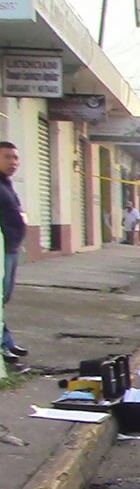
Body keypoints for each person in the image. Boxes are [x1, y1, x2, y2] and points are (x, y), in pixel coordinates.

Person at [0, 142, 28, 364]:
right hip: (3, 250)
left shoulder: (6, 184)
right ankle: (3, 346)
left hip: (12, 249)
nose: (14, 162)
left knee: (4, 298)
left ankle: (6, 341)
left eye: (16, 158)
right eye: (8, 157)